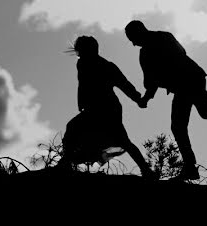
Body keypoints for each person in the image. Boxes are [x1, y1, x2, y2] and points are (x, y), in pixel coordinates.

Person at [124, 20, 207, 181]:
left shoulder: (150, 49)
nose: (132, 44)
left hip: (187, 82)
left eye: (132, 38)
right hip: (194, 77)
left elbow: (155, 78)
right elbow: (153, 80)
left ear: (139, 32)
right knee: (205, 112)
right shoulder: (160, 40)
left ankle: (189, 168)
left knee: (178, 126)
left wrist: (146, 97)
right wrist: (146, 97)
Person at [58, 35, 156, 179]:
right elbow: (83, 85)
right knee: (74, 129)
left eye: (82, 50)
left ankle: (146, 171)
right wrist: (82, 104)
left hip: (109, 108)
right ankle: (66, 162)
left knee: (122, 140)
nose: (80, 54)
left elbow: (124, 84)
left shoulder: (107, 66)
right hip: (93, 109)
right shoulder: (82, 64)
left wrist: (138, 99)